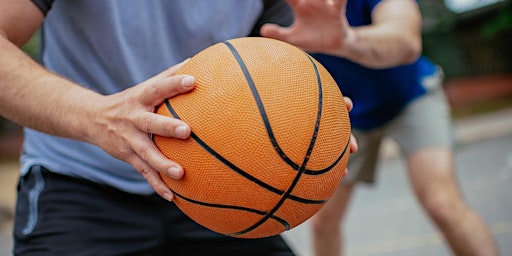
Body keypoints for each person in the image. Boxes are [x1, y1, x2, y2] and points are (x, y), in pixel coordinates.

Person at [0, 1, 360, 255]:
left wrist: (312, 131)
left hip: (217, 190)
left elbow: (266, 87)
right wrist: (99, 115)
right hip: (82, 181)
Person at [261, 0, 499, 255]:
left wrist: (345, 40)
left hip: (410, 97)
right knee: (322, 223)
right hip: (345, 114)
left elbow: (406, 40)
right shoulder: (276, 10)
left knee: (443, 205)